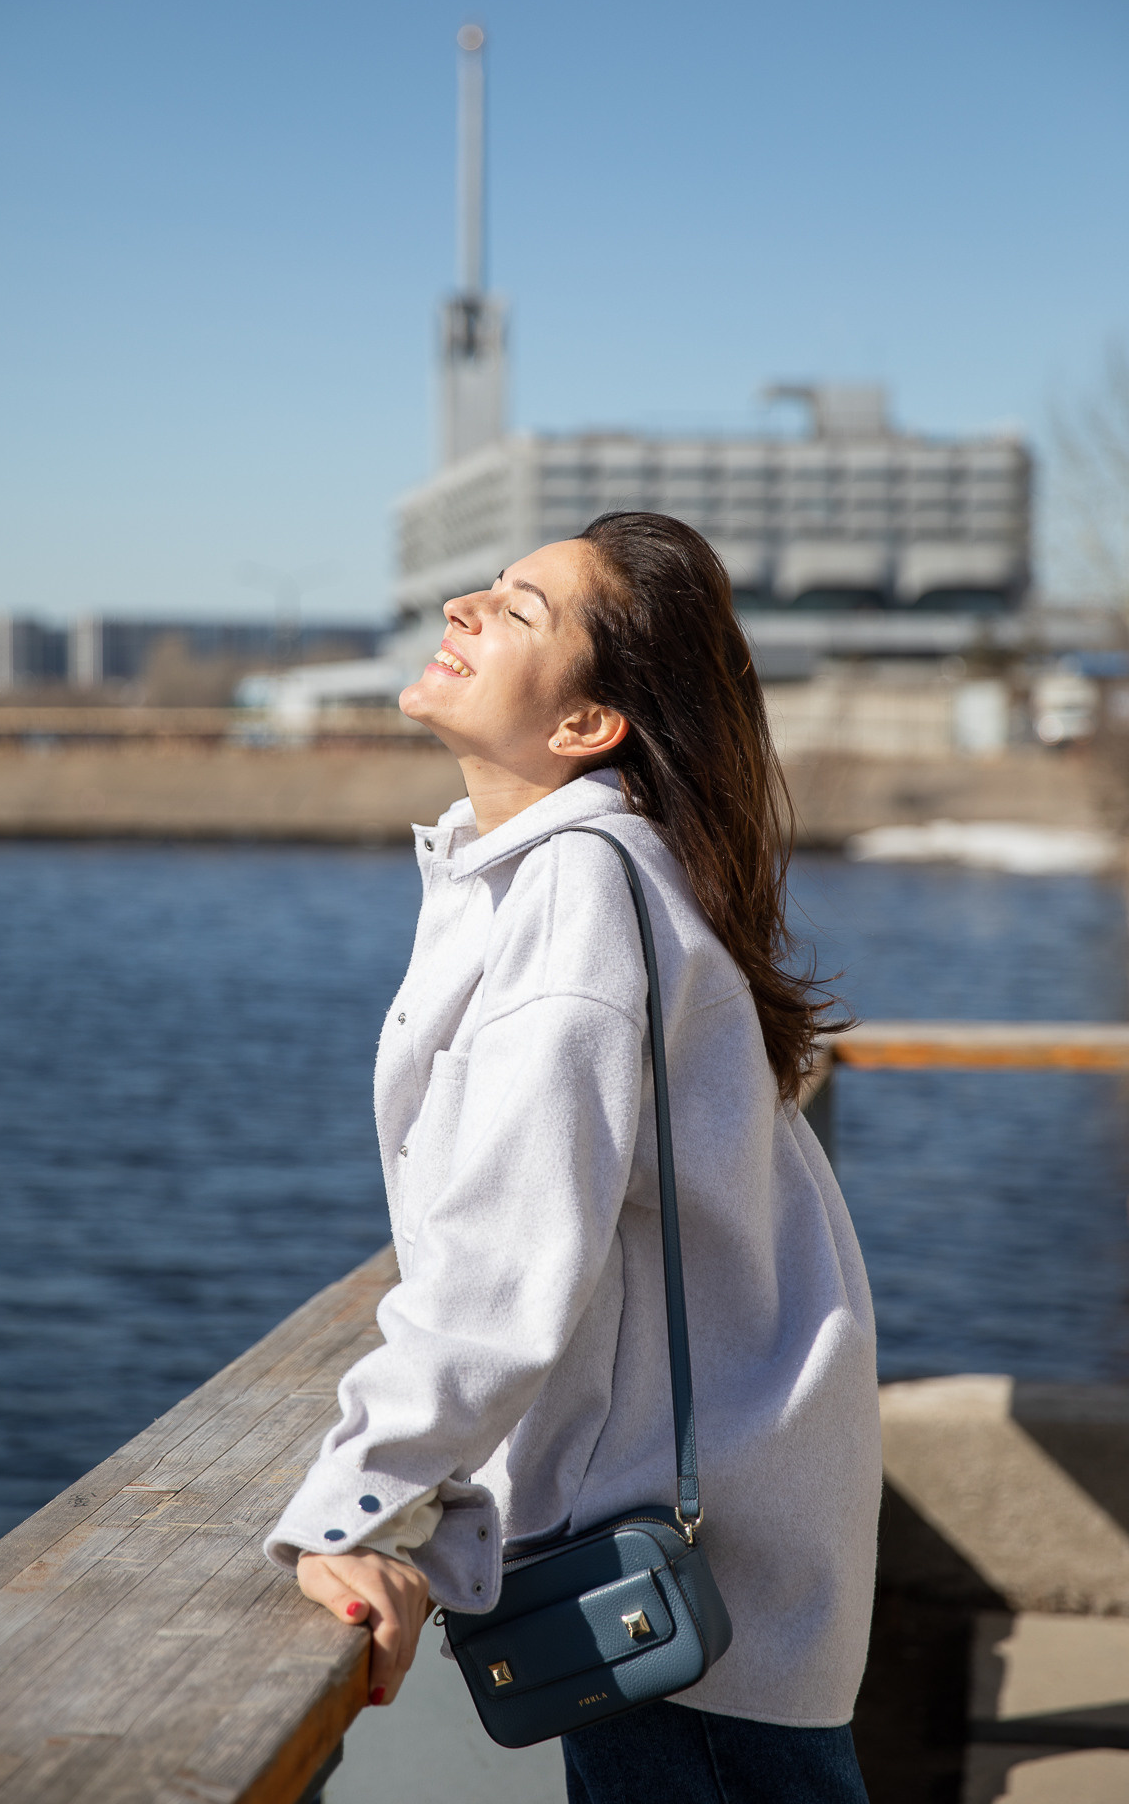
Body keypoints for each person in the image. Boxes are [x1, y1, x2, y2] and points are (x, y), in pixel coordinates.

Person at [265, 513, 881, 1802]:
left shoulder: (581, 897)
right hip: (711, 1577)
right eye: (485, 585)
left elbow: (504, 1263)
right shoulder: (569, 875)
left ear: (585, 727)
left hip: (686, 1611)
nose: (466, 607)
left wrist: (351, 1510)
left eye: (523, 609)